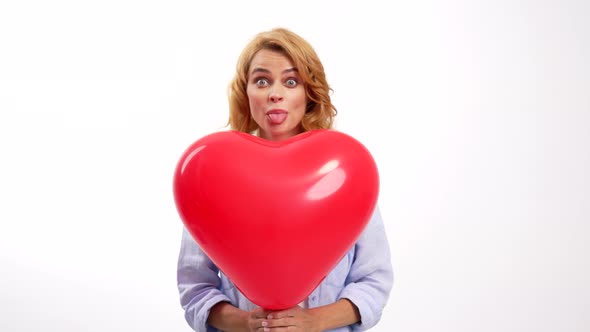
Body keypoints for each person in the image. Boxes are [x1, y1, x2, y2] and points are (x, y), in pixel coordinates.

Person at [177, 27, 393, 332]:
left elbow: (373, 281)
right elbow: (195, 288)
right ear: (246, 91)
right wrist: (246, 323)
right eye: (262, 80)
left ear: (309, 94)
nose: (275, 93)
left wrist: (311, 322)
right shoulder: (214, 172)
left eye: (291, 82)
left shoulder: (344, 172)